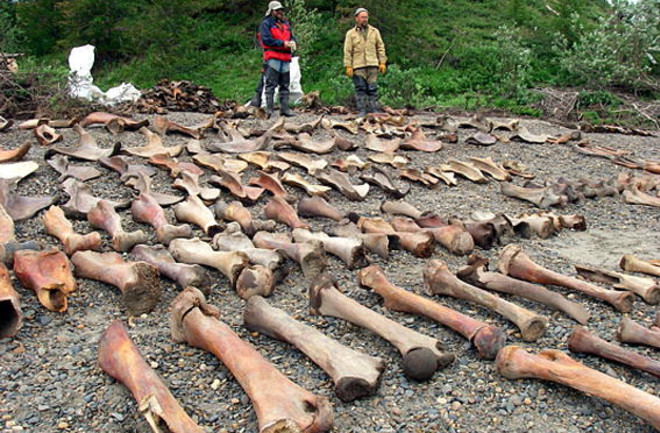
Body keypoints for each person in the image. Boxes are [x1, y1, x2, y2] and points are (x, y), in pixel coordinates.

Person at [343, 7, 387, 116]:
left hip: (372, 64)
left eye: (366, 17)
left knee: (373, 89)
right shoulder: (350, 34)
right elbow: (347, 50)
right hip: (358, 65)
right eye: (362, 17)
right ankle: (362, 110)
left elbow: (380, 47)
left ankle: (374, 110)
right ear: (356, 18)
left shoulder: (374, 31)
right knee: (360, 88)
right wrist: (348, 65)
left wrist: (382, 62)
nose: (365, 19)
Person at [259, 1, 298, 117]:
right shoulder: (265, 24)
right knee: (271, 84)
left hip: (285, 57)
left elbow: (292, 36)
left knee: (285, 85)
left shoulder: (286, 24)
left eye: (281, 10)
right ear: (271, 11)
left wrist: (293, 42)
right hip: (272, 57)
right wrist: (283, 43)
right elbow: (266, 40)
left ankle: (284, 109)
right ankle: (270, 110)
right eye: (277, 10)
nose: (280, 12)